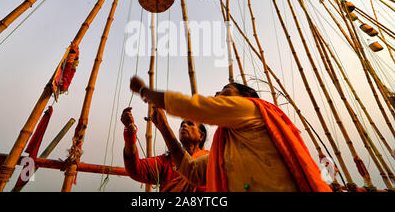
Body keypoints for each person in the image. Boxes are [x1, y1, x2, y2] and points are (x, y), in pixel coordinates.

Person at [130, 76, 332, 192]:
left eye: (225, 90)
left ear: (244, 97)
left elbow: (199, 107)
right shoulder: (223, 149)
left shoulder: (251, 108)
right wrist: (164, 129)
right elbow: (192, 172)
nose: (217, 94)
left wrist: (145, 93)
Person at [121, 106, 209, 192]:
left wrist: (164, 126)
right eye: (182, 124)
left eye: (190, 124)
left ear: (201, 136)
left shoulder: (211, 158)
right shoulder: (166, 160)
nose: (184, 125)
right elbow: (135, 169)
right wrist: (130, 132)